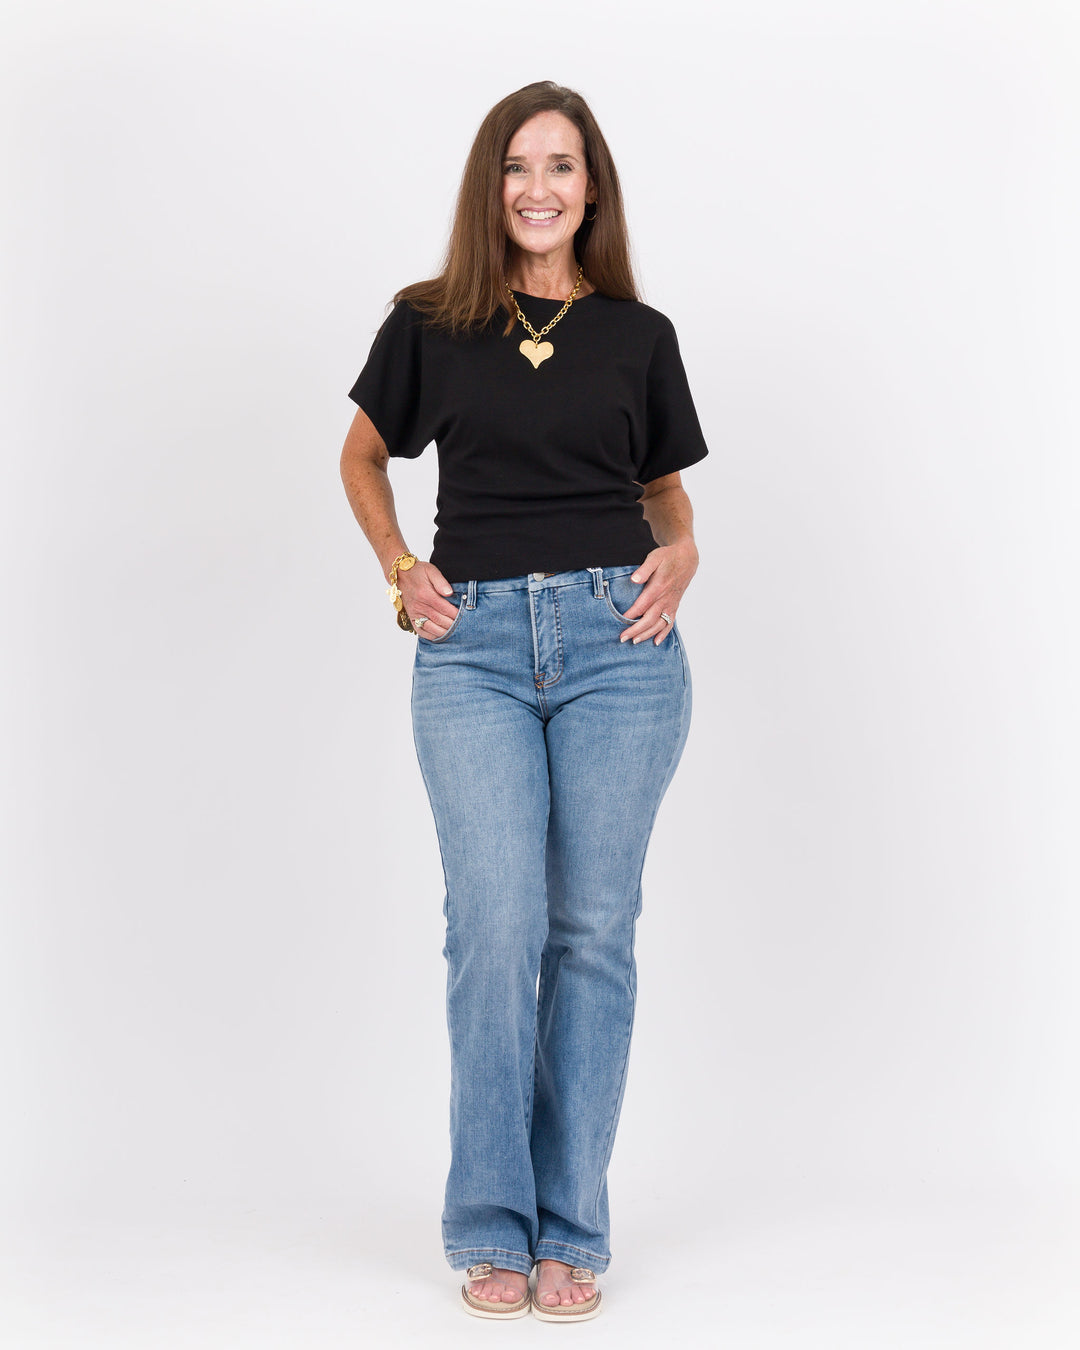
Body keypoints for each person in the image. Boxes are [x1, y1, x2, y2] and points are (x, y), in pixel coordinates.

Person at [339, 80, 708, 1322]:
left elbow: (663, 488)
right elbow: (361, 454)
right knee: (494, 927)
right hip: (476, 647)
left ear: (591, 189)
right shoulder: (429, 323)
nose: (537, 189)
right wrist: (400, 566)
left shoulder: (638, 335)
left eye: (560, 166)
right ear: (488, 187)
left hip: (619, 644)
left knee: (592, 931)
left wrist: (685, 550)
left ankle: (573, 1228)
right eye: (516, 166)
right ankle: (492, 1218)